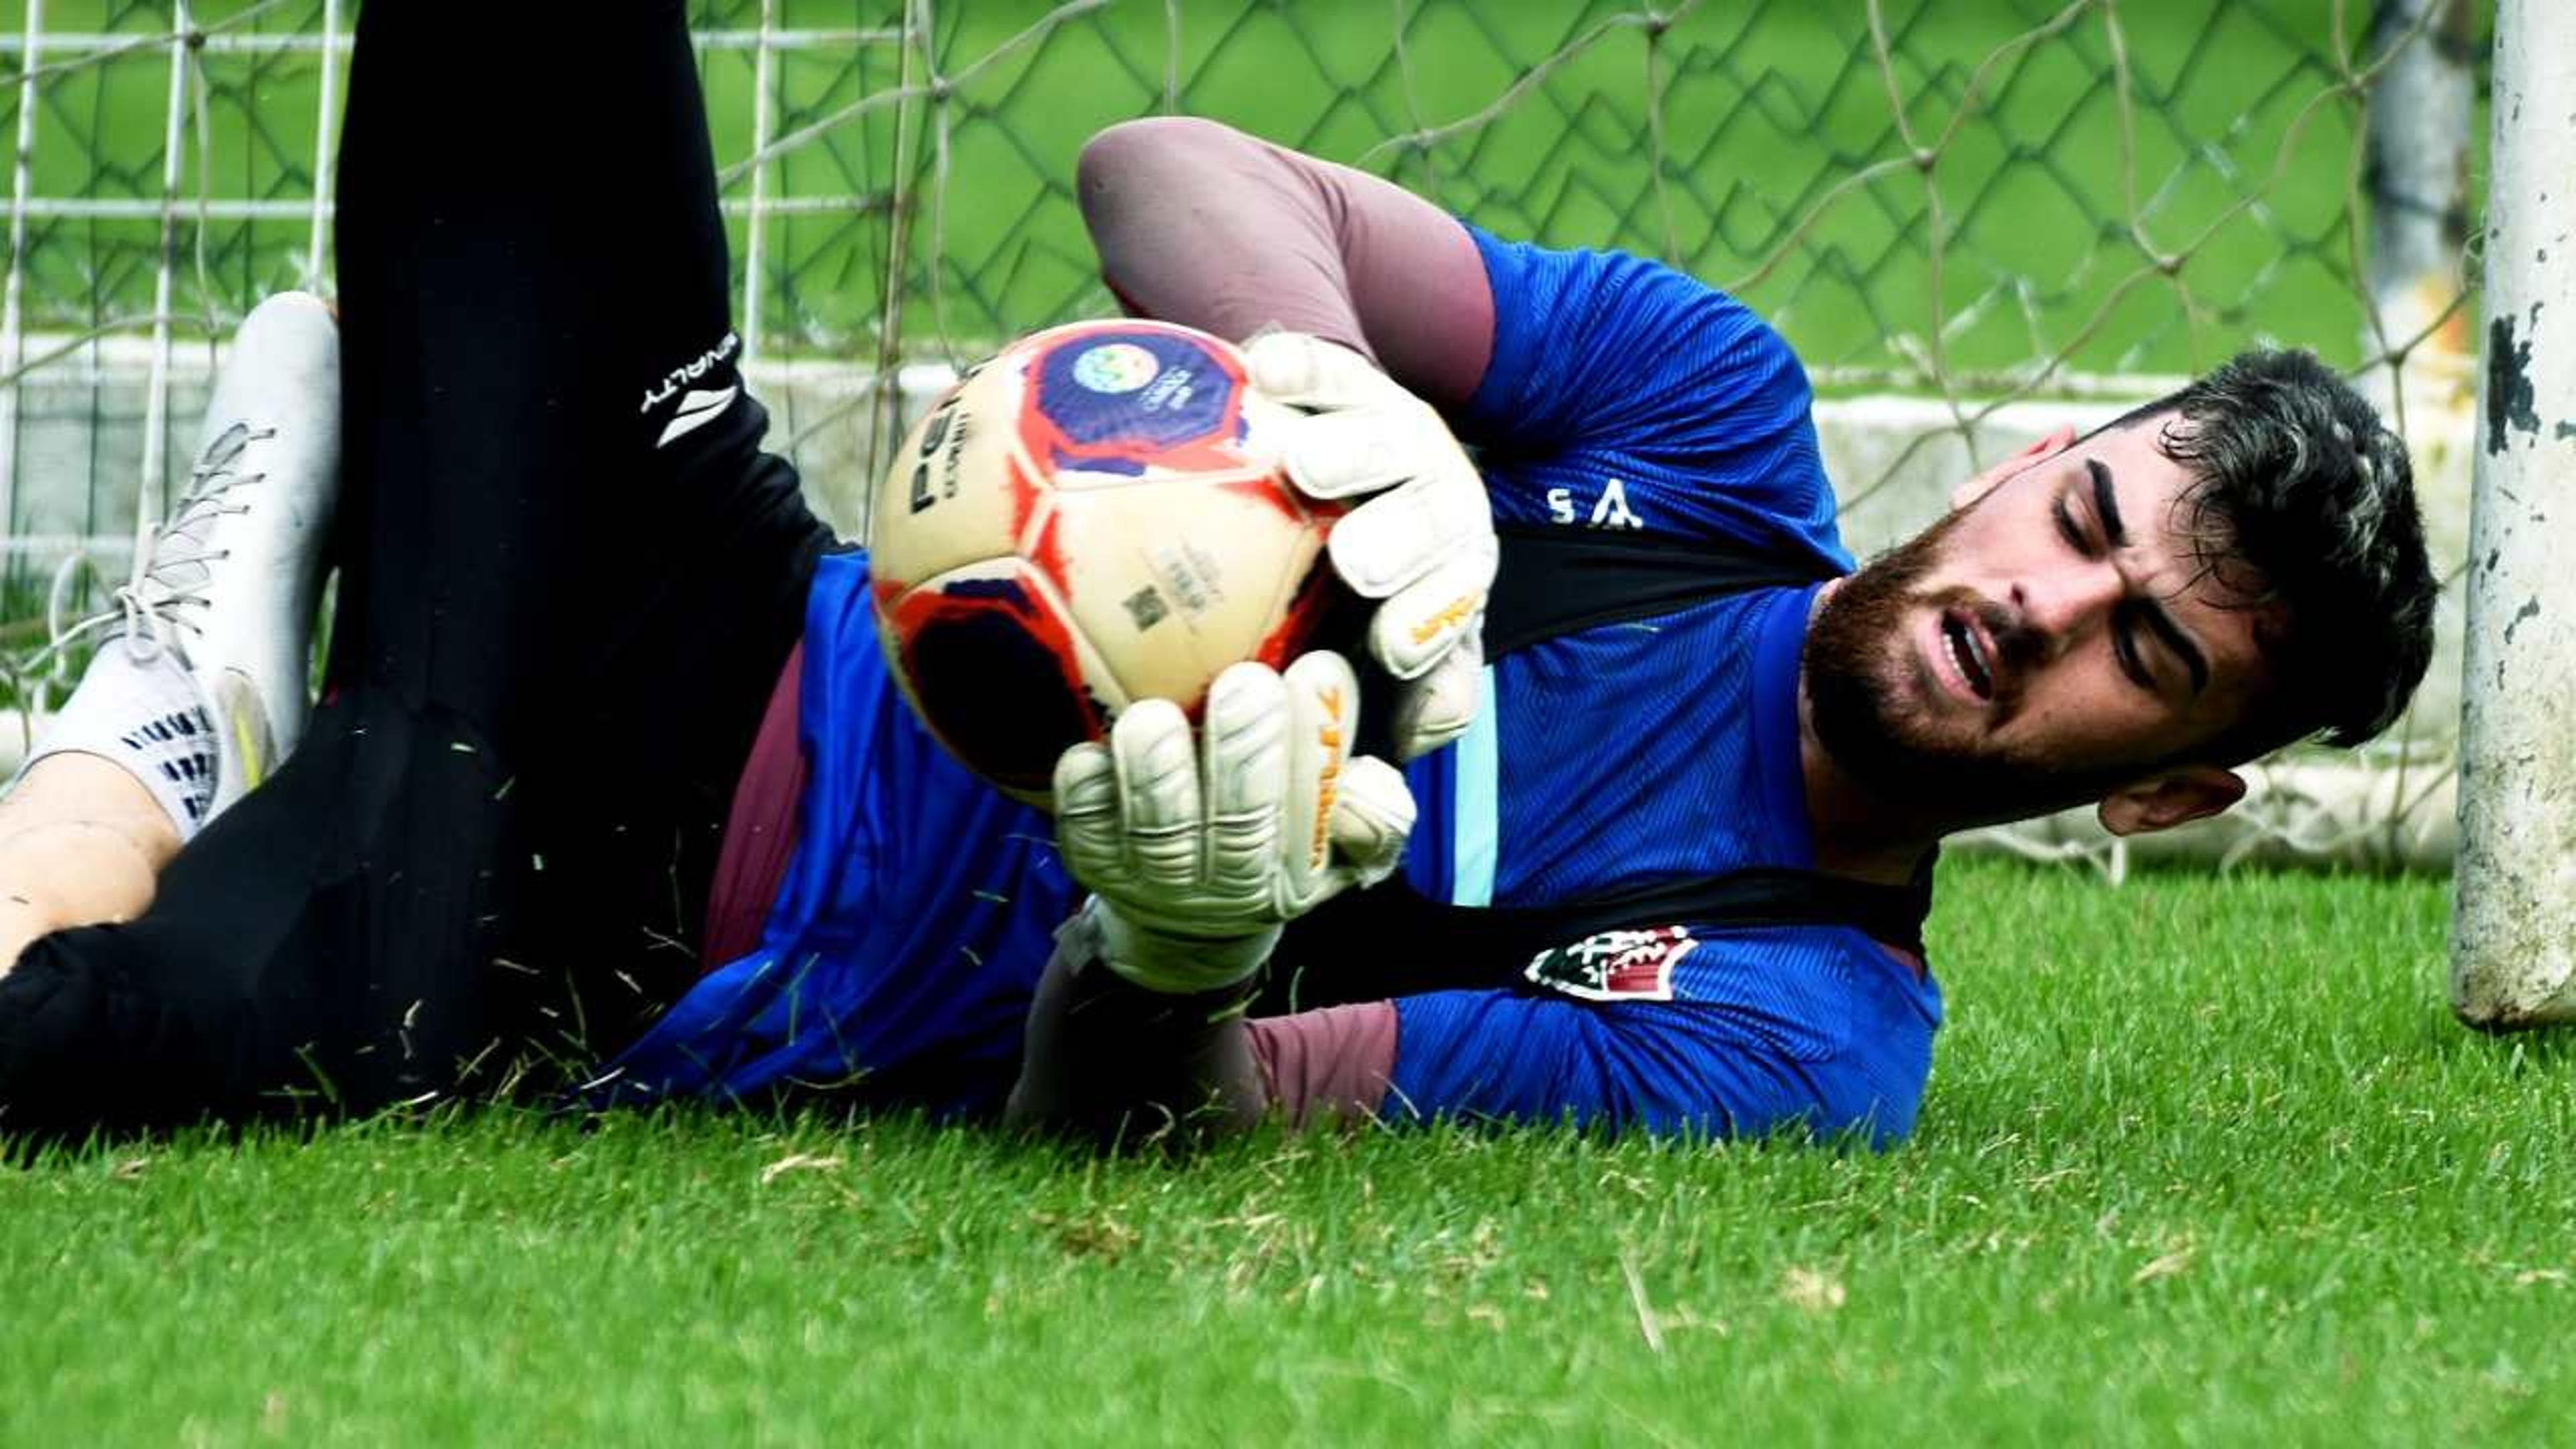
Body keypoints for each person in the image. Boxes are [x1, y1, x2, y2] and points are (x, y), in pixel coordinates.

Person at [0, 8, 2436, 1148]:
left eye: (2146, 652)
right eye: (2087, 523)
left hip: (600, 916)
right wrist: (1341, 401)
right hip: (680, 542)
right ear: (2040, 456)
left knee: (61, 1042)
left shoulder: (1798, 1030)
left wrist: (1163, 952)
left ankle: (161, 721)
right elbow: (1167, 164)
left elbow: (1164, 1114)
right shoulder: (1710, 420)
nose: (2048, 602)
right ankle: (261, 652)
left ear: (2169, 793)